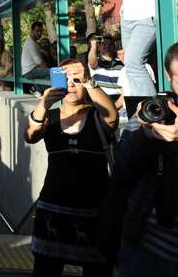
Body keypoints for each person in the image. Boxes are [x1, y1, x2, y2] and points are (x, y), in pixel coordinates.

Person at [24, 60, 118, 276]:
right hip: (52, 212)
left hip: (94, 214)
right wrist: (43, 104)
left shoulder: (96, 116)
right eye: (65, 80)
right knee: (45, 270)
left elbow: (111, 117)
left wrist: (89, 80)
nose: (71, 85)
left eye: (76, 80)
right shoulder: (51, 117)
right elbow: (30, 135)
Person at [100, 43, 178, 276]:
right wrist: (147, 136)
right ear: (168, 77)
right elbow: (121, 167)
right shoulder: (155, 111)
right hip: (145, 247)